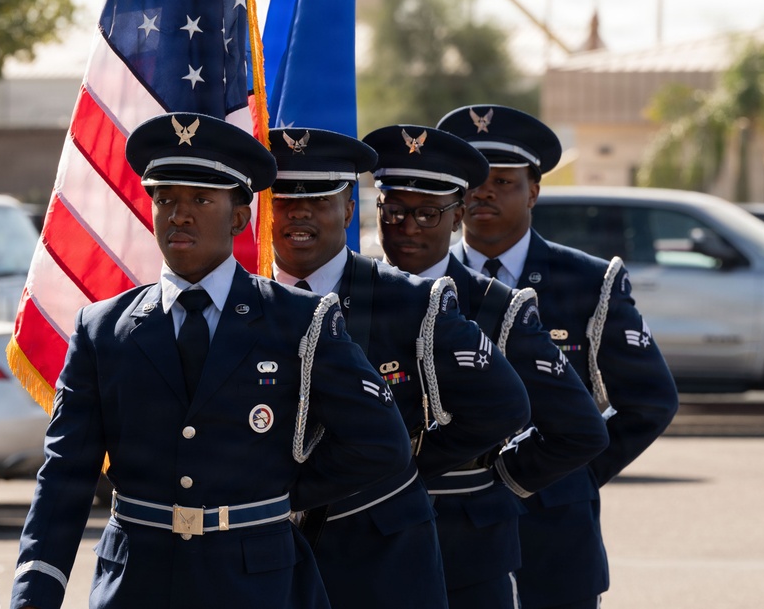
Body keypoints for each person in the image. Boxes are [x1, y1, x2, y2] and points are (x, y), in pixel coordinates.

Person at [10, 112, 413, 609]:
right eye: (166, 199)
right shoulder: (103, 329)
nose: (180, 214)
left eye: (201, 200)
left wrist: (277, 491)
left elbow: (380, 443)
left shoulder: (297, 321)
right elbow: (65, 477)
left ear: (240, 217)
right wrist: (34, 595)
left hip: (255, 583)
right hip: (137, 584)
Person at [267, 126, 532, 609]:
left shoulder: (408, 298)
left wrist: (405, 464)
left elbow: (503, 405)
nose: (299, 211)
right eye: (282, 198)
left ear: (349, 208)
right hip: (263, 552)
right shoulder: (242, 300)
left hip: (379, 549)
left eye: (320, 198)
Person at [437, 104, 680, 609]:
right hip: (449, 525)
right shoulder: (422, 284)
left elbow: (650, 401)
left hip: (552, 523)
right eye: (473, 181)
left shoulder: (590, 281)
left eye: (503, 181)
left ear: (534, 191)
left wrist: (575, 470)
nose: (484, 192)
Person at [364, 124, 611, 609]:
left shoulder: (497, 307)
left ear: (457, 218)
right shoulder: (349, 298)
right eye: (394, 212)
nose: (409, 227)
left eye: (428, 213)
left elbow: (581, 430)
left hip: (464, 539)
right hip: (367, 542)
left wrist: (498, 477)